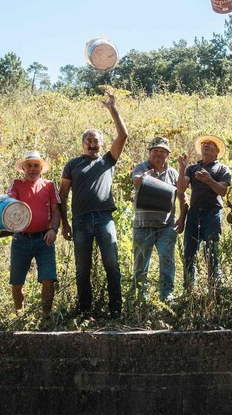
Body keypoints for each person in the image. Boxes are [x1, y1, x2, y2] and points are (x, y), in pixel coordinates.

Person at [60, 93, 128, 318]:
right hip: (80, 221)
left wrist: (113, 109)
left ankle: (116, 308)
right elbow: (62, 194)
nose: (92, 143)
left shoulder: (108, 160)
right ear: (82, 143)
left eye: (95, 140)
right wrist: (64, 224)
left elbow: (123, 135)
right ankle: (84, 309)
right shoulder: (73, 164)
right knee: (82, 269)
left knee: (111, 264)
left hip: (104, 219)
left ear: (101, 144)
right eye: (88, 140)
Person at [8, 150, 62, 316]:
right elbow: (9, 203)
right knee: (17, 282)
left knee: (48, 279)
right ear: (24, 168)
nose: (32, 169)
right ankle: (20, 316)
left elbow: (55, 209)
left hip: (43, 239)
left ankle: (46, 317)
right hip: (21, 239)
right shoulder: (16, 184)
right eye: (29, 165)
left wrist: (53, 229)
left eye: (36, 165)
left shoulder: (49, 185)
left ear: (41, 168)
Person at [176, 135, 231, 290]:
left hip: (212, 214)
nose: (206, 145)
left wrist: (209, 181)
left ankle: (215, 290)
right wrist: (181, 169)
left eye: (210, 144)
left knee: (212, 253)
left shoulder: (222, 168)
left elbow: (223, 191)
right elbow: (181, 189)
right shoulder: (192, 168)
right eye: (204, 144)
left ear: (217, 151)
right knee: (189, 252)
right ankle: (189, 290)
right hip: (194, 213)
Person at [131, 136, 182, 302]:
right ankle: (140, 299)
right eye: (155, 151)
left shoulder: (173, 173)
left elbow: (182, 194)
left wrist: (182, 218)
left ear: (168, 155)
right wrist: (145, 177)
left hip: (166, 227)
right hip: (143, 225)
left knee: (167, 262)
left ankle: (167, 297)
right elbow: (137, 181)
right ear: (149, 153)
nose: (158, 154)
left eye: (162, 151)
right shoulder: (141, 167)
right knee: (140, 265)